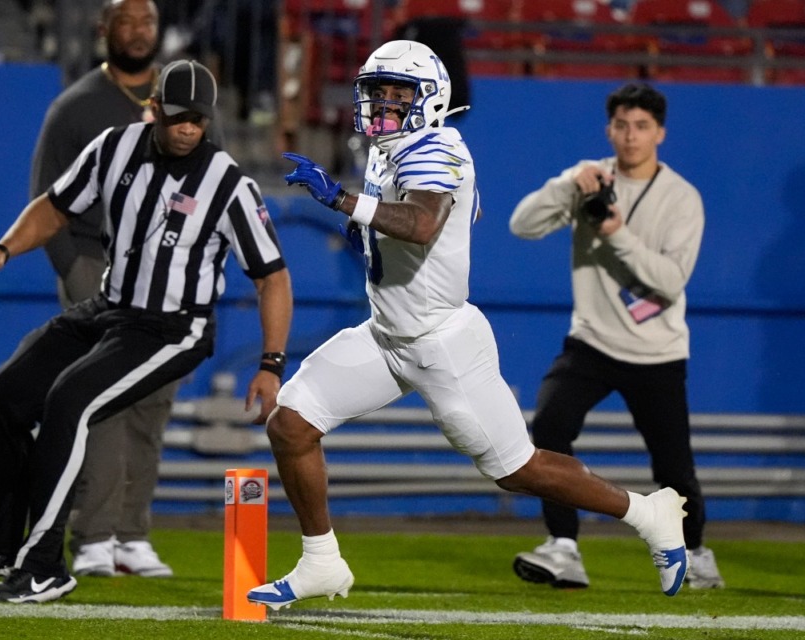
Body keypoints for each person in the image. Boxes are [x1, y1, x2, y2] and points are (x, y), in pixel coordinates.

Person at [245, 40, 690, 612]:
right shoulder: (390, 146)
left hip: (440, 341)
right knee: (291, 424)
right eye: (376, 90)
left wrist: (343, 201)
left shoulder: (438, 147)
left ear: (429, 99)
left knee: (519, 471)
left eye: (397, 93)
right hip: (386, 334)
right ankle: (321, 561)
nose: (382, 102)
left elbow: (423, 223)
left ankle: (647, 513)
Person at [0, 58, 293, 604]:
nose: (189, 128)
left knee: (71, 401)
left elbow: (272, 277)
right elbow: (57, 206)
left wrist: (271, 364)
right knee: (7, 394)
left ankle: (44, 563)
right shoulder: (114, 147)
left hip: (173, 328)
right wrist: (2, 249)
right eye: (178, 116)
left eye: (199, 119)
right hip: (109, 308)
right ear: (154, 109)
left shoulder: (228, 183)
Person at [508, 82, 724, 590]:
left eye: (642, 127)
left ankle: (694, 553)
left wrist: (614, 232)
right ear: (609, 130)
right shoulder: (589, 181)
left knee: (674, 468)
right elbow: (522, 225)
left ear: (661, 134)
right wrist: (566, 186)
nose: (631, 137)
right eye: (622, 126)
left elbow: (671, 280)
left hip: (658, 351)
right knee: (551, 428)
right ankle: (563, 548)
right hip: (591, 343)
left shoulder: (682, 198)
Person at [29, 0, 217, 579]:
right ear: (103, 29)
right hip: (96, 264)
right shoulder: (77, 107)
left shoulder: (190, 101)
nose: (137, 32)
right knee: (100, 399)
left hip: (170, 274)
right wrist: (74, 272)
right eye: (126, 21)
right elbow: (48, 195)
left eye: (147, 22)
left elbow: (212, 183)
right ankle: (94, 534)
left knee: (154, 401)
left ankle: (132, 534)